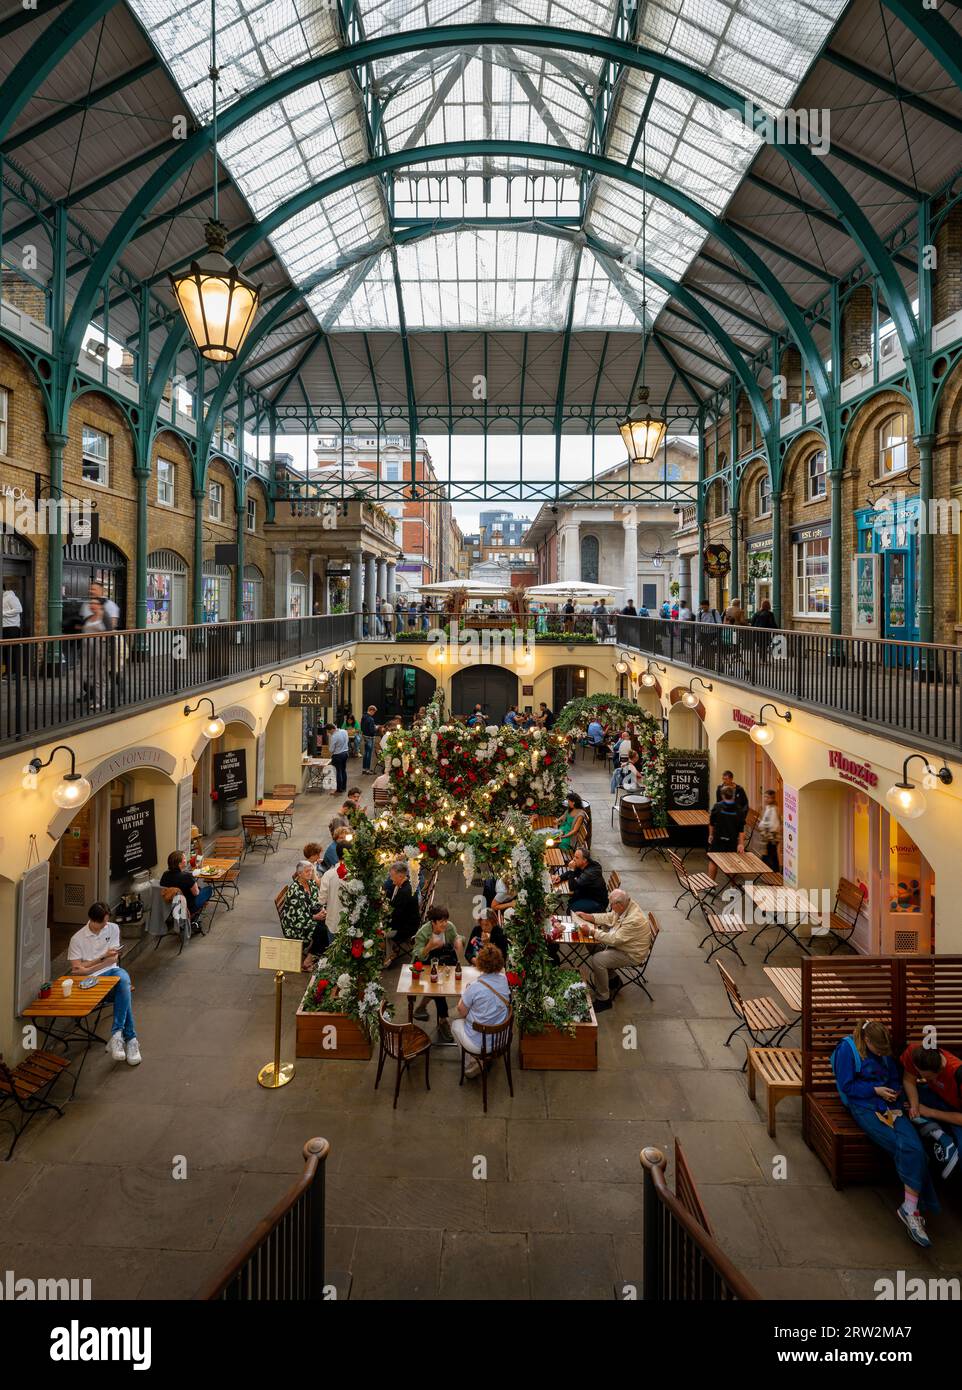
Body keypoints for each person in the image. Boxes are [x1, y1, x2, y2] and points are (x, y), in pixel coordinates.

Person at [832, 1020, 936, 1247]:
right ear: (867, 1041)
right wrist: (874, 1090)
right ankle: (912, 1210)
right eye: (878, 1050)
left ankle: (909, 1207)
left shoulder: (883, 1052)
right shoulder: (846, 1050)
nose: (881, 1054)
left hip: (890, 1104)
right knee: (908, 1149)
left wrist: (892, 1091)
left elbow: (891, 1077)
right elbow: (847, 1086)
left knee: (915, 1148)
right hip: (864, 1106)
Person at [68, 902, 141, 1065]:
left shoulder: (113, 928)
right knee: (125, 990)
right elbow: (76, 971)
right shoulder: (77, 939)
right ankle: (131, 1039)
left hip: (112, 976)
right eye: (102, 923)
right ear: (92, 920)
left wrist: (88, 966)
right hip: (89, 984)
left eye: (106, 921)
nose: (105, 925)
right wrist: (101, 959)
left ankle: (116, 1035)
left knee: (122, 978)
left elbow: (113, 959)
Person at [573, 891, 653, 1012]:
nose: (611, 908)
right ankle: (613, 980)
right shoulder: (626, 906)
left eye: (612, 905)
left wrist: (592, 931)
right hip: (624, 946)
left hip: (631, 954)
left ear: (620, 905)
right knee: (591, 943)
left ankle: (604, 999)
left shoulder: (633, 920)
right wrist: (589, 916)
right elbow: (610, 917)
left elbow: (614, 940)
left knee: (598, 959)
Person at [452, 943, 512, 1078]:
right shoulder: (504, 980)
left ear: (480, 964)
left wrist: (465, 993)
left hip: (481, 1043)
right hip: (501, 1038)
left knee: (455, 1024)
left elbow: (462, 1011)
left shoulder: (475, 987)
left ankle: (472, 1064)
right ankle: (484, 1059)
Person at [901, 1044, 962, 1177]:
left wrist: (930, 1112)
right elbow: (909, 1080)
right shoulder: (916, 1053)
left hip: (957, 1110)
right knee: (901, 1098)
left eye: (928, 1077)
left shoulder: (958, 1073)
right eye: (920, 1074)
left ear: (939, 1070)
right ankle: (940, 1135)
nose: (924, 1078)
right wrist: (915, 1105)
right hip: (937, 1097)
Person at [410, 905, 463, 1043]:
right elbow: (417, 955)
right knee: (438, 990)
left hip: (445, 961)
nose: (445, 924)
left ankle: (421, 1007)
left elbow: (457, 937)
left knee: (438, 987)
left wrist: (458, 941)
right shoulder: (423, 932)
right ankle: (443, 1020)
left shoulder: (449, 927)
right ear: (433, 922)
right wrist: (429, 946)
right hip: (427, 963)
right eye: (441, 921)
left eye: (446, 920)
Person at [281, 860, 329, 968]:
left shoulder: (311, 883)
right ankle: (309, 959)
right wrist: (315, 917)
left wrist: (322, 909)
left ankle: (316, 952)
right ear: (299, 874)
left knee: (328, 921)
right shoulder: (294, 891)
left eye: (311, 871)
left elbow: (317, 901)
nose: (310, 874)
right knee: (323, 930)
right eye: (307, 872)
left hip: (307, 916)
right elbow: (297, 917)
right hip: (295, 925)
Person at [160, 849, 213, 922]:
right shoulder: (186, 877)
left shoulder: (165, 874)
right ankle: (195, 912)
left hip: (171, 905)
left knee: (199, 889)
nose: (186, 860)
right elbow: (196, 893)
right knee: (209, 889)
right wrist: (193, 881)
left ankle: (200, 908)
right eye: (184, 858)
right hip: (188, 906)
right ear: (179, 863)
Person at [706, 786, 746, 881]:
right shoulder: (739, 810)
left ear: (722, 795)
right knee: (732, 863)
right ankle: (733, 888)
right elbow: (741, 830)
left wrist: (711, 835)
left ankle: (711, 885)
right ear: (733, 795)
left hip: (718, 839)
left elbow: (711, 823)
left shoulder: (717, 807)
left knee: (713, 861)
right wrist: (741, 844)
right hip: (732, 840)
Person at [553, 846, 608, 914]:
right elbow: (571, 874)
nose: (573, 859)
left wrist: (571, 870)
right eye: (574, 856)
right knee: (569, 900)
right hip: (587, 894)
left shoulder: (590, 873)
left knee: (570, 911)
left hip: (597, 902)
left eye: (577, 857)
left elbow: (572, 887)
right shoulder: (583, 864)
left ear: (584, 860)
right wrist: (560, 877)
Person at [385, 861, 419, 961]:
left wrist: (383, 923)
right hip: (409, 922)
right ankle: (392, 950)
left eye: (392, 876)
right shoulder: (405, 885)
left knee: (380, 932)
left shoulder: (404, 892)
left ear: (400, 876)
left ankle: (388, 956)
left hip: (407, 928)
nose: (390, 879)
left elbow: (396, 917)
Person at [758, 788, 781, 872]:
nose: (765, 799)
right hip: (769, 836)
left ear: (772, 798)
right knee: (770, 855)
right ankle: (773, 872)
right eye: (765, 797)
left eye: (767, 797)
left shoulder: (773, 809)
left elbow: (773, 825)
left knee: (771, 855)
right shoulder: (769, 807)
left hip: (772, 837)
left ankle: (775, 872)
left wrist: (763, 826)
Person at [325, 721, 349, 794]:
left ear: (332, 729)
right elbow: (347, 741)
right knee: (343, 770)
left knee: (338, 772)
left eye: (329, 731)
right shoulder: (344, 731)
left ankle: (339, 789)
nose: (329, 733)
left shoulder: (334, 736)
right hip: (345, 753)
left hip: (337, 755)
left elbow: (331, 749)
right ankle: (344, 787)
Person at [361, 705, 378, 774]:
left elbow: (362, 727)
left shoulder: (363, 717)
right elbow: (371, 730)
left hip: (365, 736)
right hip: (370, 737)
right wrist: (375, 728)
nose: (374, 714)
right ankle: (367, 769)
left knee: (365, 753)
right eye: (374, 712)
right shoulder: (371, 719)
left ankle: (364, 769)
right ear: (371, 710)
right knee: (369, 754)